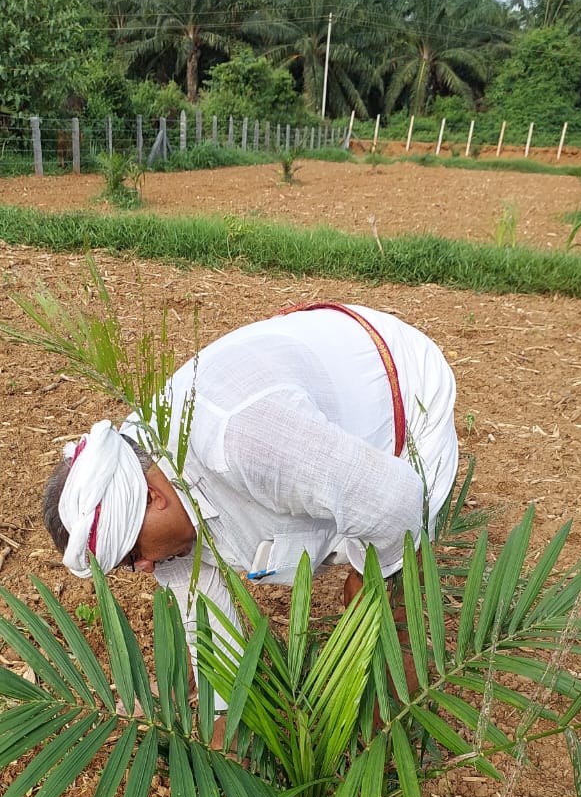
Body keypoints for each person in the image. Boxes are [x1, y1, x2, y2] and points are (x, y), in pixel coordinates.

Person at [43, 301, 459, 702]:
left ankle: (395, 718)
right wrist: (223, 714)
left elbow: (400, 502)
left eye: (134, 554)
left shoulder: (247, 442)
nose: (146, 568)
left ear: (154, 497)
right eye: (130, 564)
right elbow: (201, 603)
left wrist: (373, 575)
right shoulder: (134, 478)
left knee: (383, 598)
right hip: (302, 406)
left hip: (397, 383)